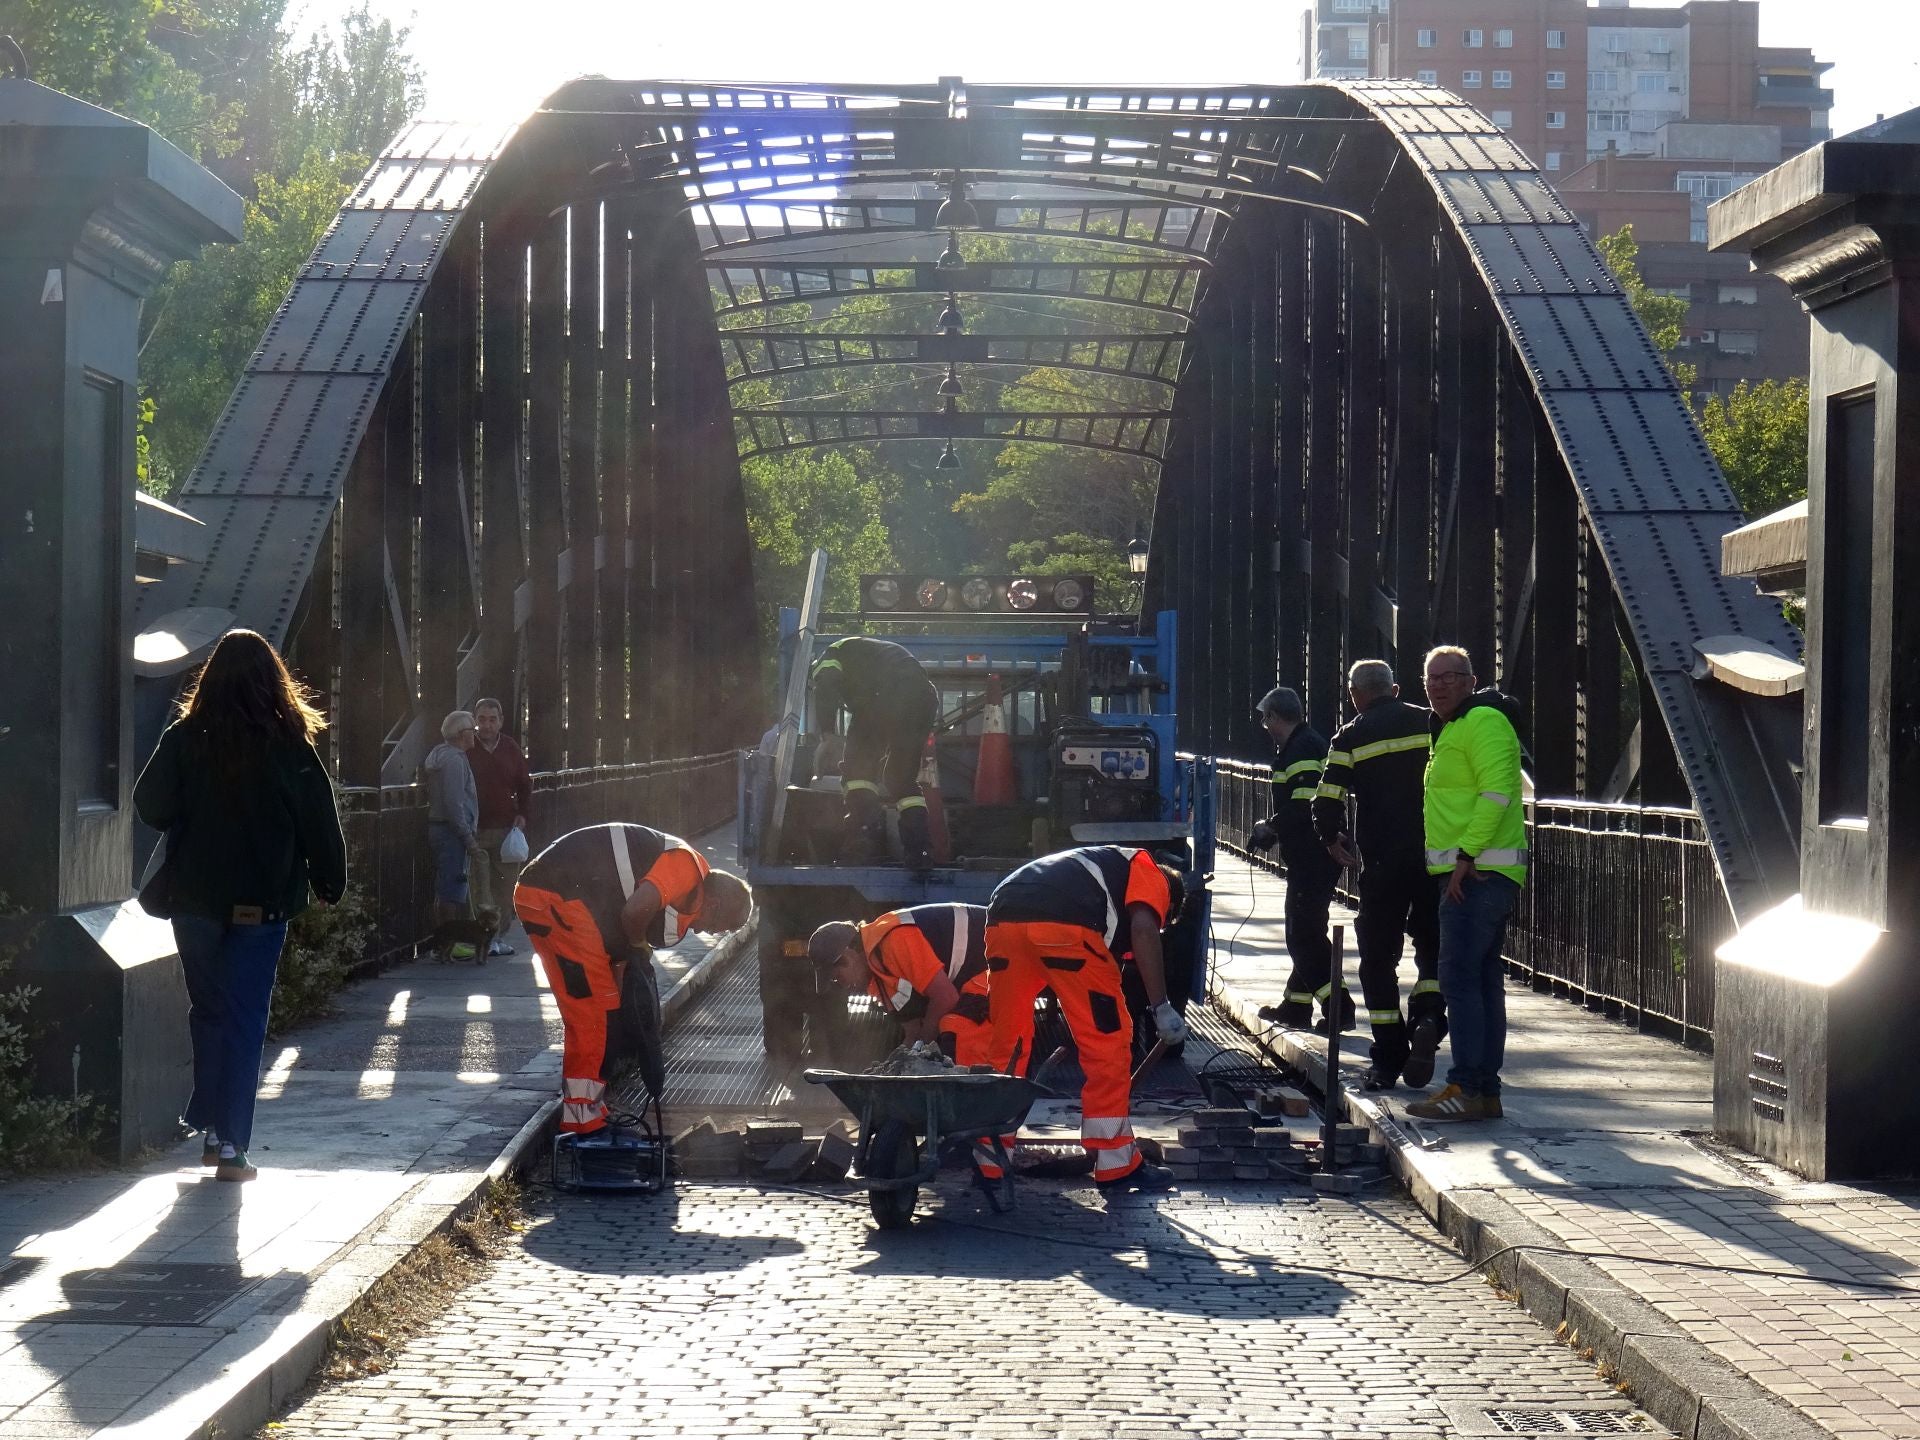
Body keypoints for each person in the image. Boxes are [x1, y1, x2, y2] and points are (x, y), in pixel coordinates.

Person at [133, 629, 346, 1183]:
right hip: (262, 902)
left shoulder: (185, 738)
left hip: (195, 901)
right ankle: (230, 1144)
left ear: (210, 680)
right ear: (273, 681)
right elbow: (319, 821)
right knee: (245, 1017)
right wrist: (329, 882)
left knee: (208, 1009)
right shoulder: (289, 746)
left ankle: (209, 1124)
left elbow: (150, 805)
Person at [512, 824, 753, 1136]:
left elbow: (620, 922)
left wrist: (625, 970)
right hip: (557, 896)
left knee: (604, 1007)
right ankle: (582, 1122)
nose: (707, 932)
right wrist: (639, 946)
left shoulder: (684, 881)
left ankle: (590, 1110)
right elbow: (633, 913)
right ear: (715, 904)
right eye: (719, 927)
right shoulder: (686, 868)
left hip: (560, 896)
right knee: (593, 1015)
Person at [985, 846, 1190, 1192]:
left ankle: (989, 1160)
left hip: (1002, 918)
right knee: (1108, 1044)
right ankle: (1115, 1162)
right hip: (1066, 927)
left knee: (1007, 1045)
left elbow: (1115, 957)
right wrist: (1161, 1007)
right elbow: (1143, 930)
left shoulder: (1098, 871)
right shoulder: (1151, 872)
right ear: (1168, 904)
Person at [1407, 646, 1528, 1124]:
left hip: (1476, 874)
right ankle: (1484, 1092)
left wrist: (1466, 855)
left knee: (1459, 979)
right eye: (1431, 678)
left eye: (1449, 676)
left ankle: (1467, 1087)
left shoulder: (1483, 721)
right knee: (1480, 981)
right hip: (1474, 871)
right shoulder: (1453, 727)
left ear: (1471, 680)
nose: (1438, 685)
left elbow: (1497, 793)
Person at [1311, 659, 1445, 1091]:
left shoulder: (1350, 735)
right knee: (1433, 945)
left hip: (1382, 862)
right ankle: (1428, 1017)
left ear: (1355, 695)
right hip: (1434, 855)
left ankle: (1388, 1057)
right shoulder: (1430, 722)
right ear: (1396, 688)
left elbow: (1326, 797)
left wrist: (1332, 838)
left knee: (1378, 958)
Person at [809, 904, 1008, 1182]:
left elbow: (945, 999)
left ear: (848, 957)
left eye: (836, 976)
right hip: (974, 969)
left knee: (959, 1029)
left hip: (999, 953)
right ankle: (958, 1138)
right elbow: (912, 1029)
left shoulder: (893, 941)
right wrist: (893, 1074)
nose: (840, 984)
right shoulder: (877, 978)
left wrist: (920, 1049)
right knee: (939, 1036)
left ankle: (977, 1146)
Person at [1246, 686, 1349, 1034]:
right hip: (1313, 853)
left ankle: (1339, 1006)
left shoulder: (1301, 749)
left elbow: (1305, 804)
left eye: (1265, 720)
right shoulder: (1304, 744)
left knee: (1302, 935)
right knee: (1308, 930)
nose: (1265, 727)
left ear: (1274, 716)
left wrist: (1270, 826)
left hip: (1312, 855)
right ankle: (1296, 1006)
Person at [809, 636, 938, 867]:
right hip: (923, 699)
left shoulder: (831, 654)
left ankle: (861, 845)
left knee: (857, 773)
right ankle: (920, 852)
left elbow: (825, 686)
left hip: (883, 693)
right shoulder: (867, 653)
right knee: (900, 778)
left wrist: (827, 736)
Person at [467, 698, 532, 958]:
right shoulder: (467, 747)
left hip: (506, 829)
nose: (487, 725)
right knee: (480, 886)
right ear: (475, 721)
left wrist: (523, 814)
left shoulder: (510, 747)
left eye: (492, 719)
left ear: (501, 721)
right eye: (482, 719)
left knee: (506, 886)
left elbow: (525, 784)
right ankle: (485, 937)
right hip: (476, 829)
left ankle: (499, 936)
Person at [423, 711, 483, 960]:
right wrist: (468, 839)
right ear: (461, 734)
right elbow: (454, 804)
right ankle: (448, 945)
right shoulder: (455, 761)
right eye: (472, 730)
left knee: (446, 888)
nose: (475, 734)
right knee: (451, 889)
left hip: (441, 829)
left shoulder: (441, 755)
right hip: (451, 833)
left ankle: (444, 943)